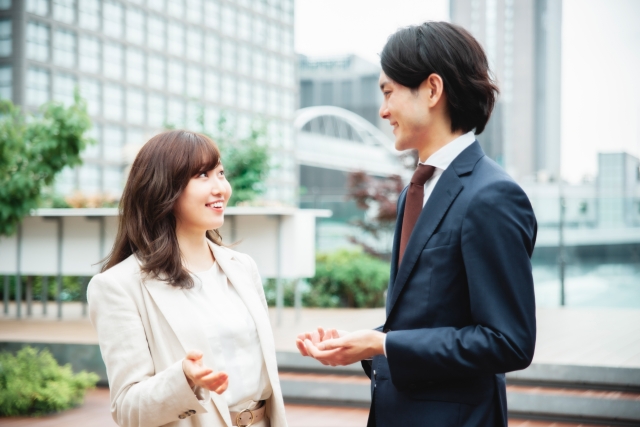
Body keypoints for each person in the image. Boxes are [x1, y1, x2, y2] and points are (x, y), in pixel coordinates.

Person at [296, 21, 537, 426]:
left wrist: (384, 343)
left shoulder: (491, 195)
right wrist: (365, 345)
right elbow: (425, 318)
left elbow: (508, 342)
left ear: (432, 90)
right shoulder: (419, 188)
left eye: (388, 91)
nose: (382, 110)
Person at [88, 130, 287, 427]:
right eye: (203, 176)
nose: (220, 187)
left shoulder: (243, 268)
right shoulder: (118, 286)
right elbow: (127, 409)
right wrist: (182, 380)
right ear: (162, 189)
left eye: (220, 173)